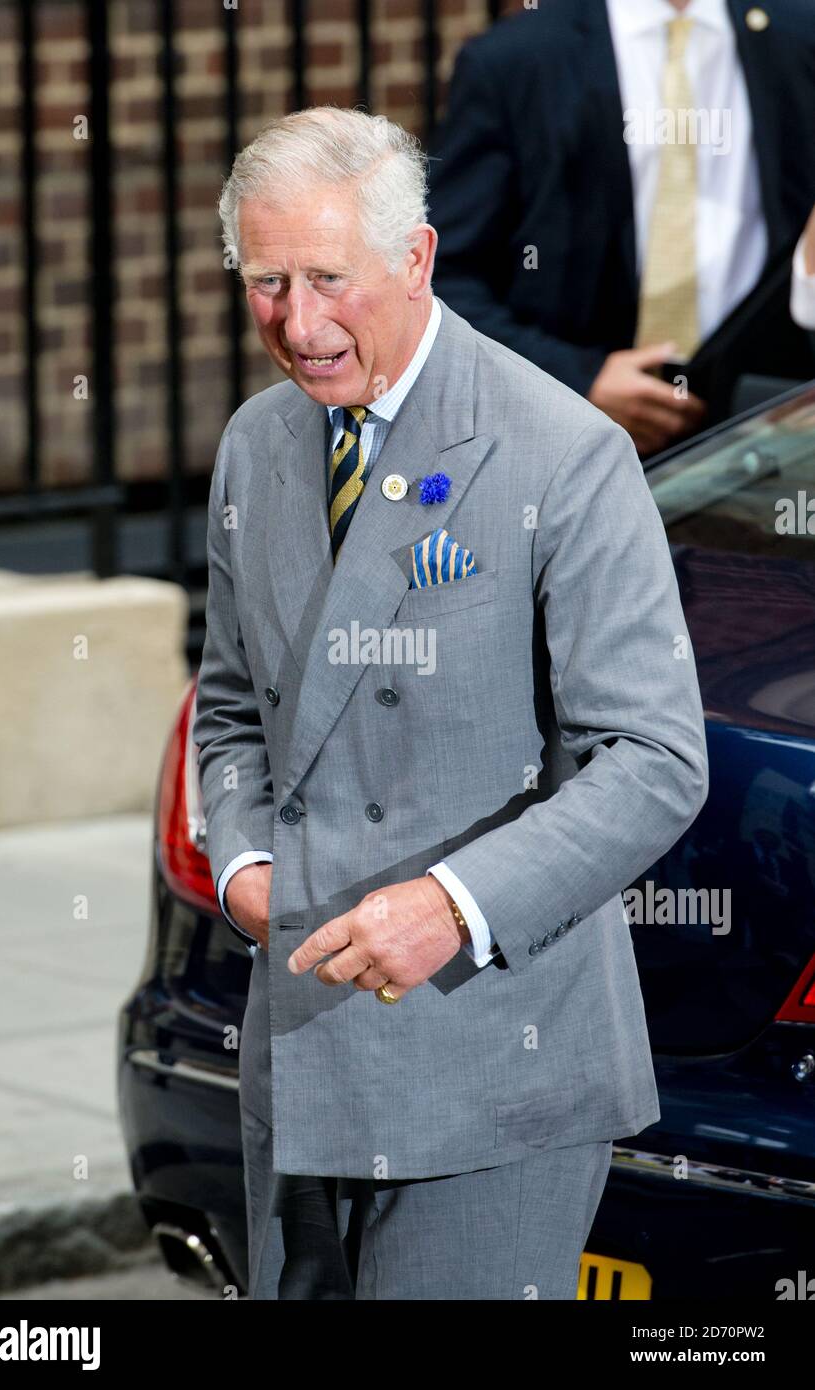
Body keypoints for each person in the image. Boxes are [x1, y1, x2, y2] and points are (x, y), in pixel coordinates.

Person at [193, 105, 709, 1301]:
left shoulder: (562, 452)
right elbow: (228, 709)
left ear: (415, 258)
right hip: (302, 1054)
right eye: (266, 282)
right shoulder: (254, 445)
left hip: (489, 1073)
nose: (298, 324)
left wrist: (446, 903)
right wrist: (241, 862)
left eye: (329, 278)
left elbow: (648, 757)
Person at [428, 0, 815, 456]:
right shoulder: (515, 61)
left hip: (766, 432)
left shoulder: (797, 33)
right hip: (573, 446)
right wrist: (572, 378)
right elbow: (440, 275)